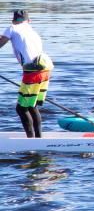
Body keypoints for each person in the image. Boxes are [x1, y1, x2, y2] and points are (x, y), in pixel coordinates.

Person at [0, 10, 54, 138]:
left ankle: (31, 141)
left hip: (33, 70)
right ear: (28, 21)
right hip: (46, 67)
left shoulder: (12, 28)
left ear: (13, 20)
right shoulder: (32, 31)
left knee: (21, 108)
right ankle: (38, 138)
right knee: (31, 105)